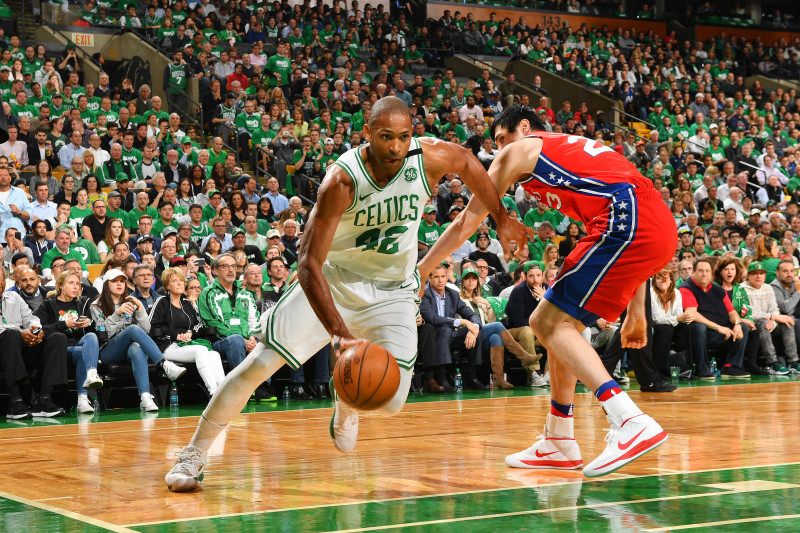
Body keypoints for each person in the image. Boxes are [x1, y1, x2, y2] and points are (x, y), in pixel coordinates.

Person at [166, 96, 526, 491]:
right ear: (367, 133)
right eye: (385, 136)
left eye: (403, 137)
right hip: (333, 281)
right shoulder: (342, 180)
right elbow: (307, 264)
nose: (395, 147)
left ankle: (346, 395)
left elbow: (469, 163)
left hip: (393, 290)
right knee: (259, 365)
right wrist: (339, 334)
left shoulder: (427, 157)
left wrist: (503, 216)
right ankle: (194, 453)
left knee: (393, 399)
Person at [419, 105, 676, 477]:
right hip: (648, 223)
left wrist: (425, 267)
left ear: (523, 128)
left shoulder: (523, 148)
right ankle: (559, 439)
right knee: (559, 320)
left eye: (502, 139)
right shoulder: (572, 150)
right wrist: (636, 312)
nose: (499, 150)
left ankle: (629, 419)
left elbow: (466, 221)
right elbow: (637, 201)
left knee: (545, 320)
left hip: (627, 220)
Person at [90, 269, 188, 411]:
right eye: (115, 281)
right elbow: (105, 333)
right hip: (107, 350)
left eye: (122, 281)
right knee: (132, 330)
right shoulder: (96, 305)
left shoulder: (131, 301)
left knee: (136, 348)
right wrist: (118, 313)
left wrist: (141, 308)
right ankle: (164, 364)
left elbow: (146, 330)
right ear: (106, 284)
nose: (119, 284)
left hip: (129, 349)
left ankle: (145, 397)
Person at [0, 267, 68, 419]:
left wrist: (36, 331)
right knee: (10, 335)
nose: (0, 282)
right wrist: (20, 333)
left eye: (2, 278)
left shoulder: (14, 297)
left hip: (20, 347)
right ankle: (15, 401)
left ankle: (44, 399)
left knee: (58, 338)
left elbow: (30, 317)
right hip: (4, 348)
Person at [149, 268, 226, 396]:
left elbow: (199, 325)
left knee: (213, 354)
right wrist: (175, 335)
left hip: (187, 344)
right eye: (174, 281)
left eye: (181, 280)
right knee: (200, 350)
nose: (179, 283)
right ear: (167, 285)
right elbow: (153, 326)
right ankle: (213, 390)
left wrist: (190, 333)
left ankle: (224, 390)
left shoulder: (187, 304)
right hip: (168, 346)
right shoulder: (162, 302)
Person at [35, 270, 103, 414]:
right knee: (84, 353)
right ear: (60, 286)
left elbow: (97, 329)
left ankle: (89, 381)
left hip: (79, 348)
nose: (75, 287)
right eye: (71, 283)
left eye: (77, 284)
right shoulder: (48, 305)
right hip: (58, 351)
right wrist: (64, 325)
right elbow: (39, 329)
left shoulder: (83, 303)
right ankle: (83, 396)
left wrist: (89, 323)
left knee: (90, 337)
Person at [459, 266, 539, 388]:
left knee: (496, 337)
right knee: (497, 326)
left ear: (477, 282)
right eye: (467, 279)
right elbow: (460, 320)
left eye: (474, 279)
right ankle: (523, 356)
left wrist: (487, 305)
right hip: (466, 333)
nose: (471, 281)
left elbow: (490, 320)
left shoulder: (481, 299)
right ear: (463, 282)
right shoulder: (459, 299)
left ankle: (498, 379)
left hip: (481, 334)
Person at [196, 253, 260, 370]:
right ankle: (241, 384)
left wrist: (252, 337)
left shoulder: (246, 294)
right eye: (225, 266)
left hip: (247, 339)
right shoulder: (208, 293)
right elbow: (214, 323)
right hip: (222, 341)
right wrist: (243, 341)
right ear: (215, 271)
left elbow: (254, 320)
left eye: (233, 266)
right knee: (236, 340)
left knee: (265, 340)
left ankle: (263, 385)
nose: (230, 270)